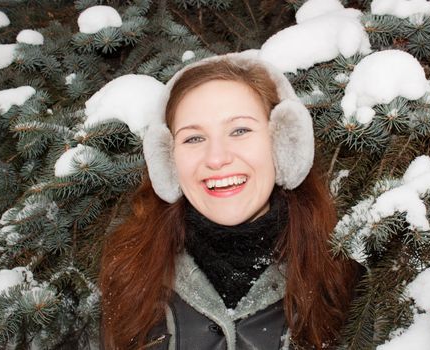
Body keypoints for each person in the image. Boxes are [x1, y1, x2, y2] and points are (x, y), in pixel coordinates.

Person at [99, 53, 362, 349]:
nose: (216, 158)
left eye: (240, 131)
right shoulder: (129, 276)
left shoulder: (347, 276)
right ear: (168, 160)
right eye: (193, 138)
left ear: (283, 142)